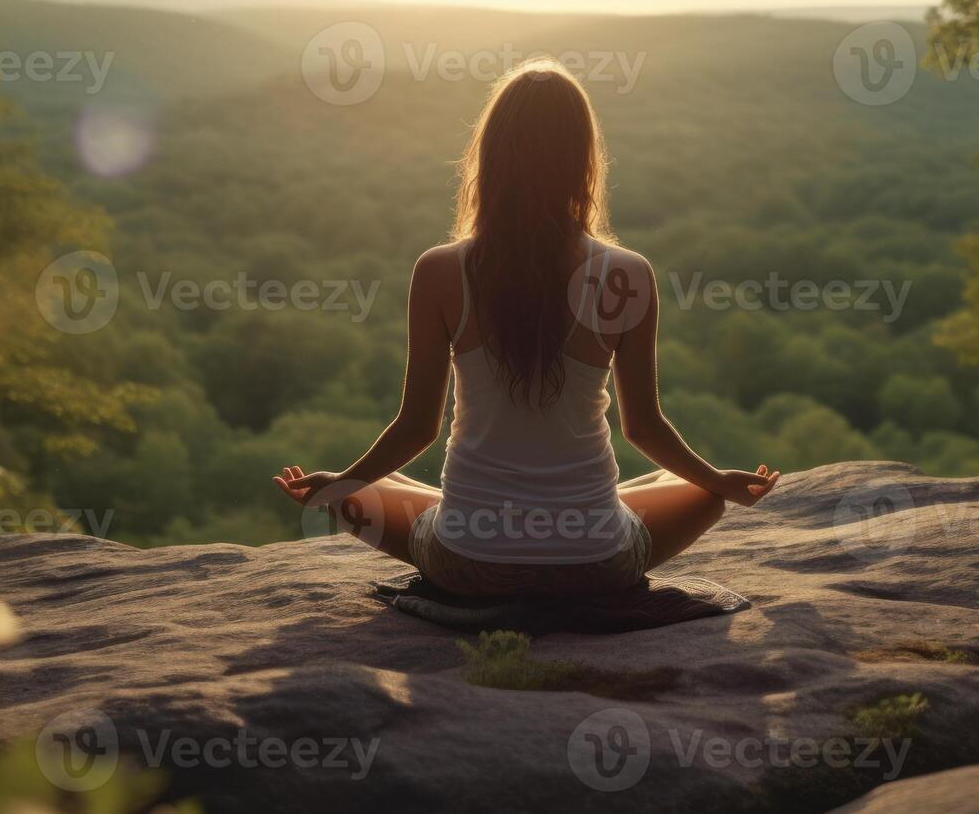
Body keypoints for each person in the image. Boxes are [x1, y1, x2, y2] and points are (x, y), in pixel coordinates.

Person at [273, 59, 779, 596]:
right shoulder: (628, 275)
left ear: (489, 159)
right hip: (596, 565)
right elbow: (645, 429)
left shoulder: (440, 271)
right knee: (699, 489)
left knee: (367, 488)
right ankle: (596, 517)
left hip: (469, 561)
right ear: (583, 162)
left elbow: (417, 428)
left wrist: (341, 485)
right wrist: (720, 483)